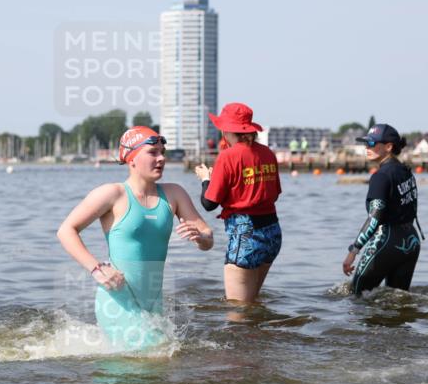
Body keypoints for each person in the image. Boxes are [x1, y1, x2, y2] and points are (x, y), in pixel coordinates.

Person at [57, 127, 213, 350]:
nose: (161, 158)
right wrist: (97, 269)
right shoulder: (112, 194)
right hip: (118, 300)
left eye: (162, 152)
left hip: (154, 303)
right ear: (132, 158)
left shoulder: (174, 193)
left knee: (155, 372)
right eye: (153, 152)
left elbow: (208, 240)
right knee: (152, 357)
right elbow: (66, 230)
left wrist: (200, 237)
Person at [194, 103, 282, 305]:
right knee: (252, 304)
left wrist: (205, 179)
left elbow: (209, 204)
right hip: (272, 233)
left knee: (238, 311)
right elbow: (274, 195)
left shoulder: (227, 156)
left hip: (246, 234)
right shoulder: (268, 153)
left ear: (227, 130)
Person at [342, 124, 421, 296]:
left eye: (371, 144)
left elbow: (374, 218)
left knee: (356, 298)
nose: (366, 148)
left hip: (387, 241)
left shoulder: (381, 177)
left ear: (388, 146)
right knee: (398, 301)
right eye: (366, 143)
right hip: (411, 241)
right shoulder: (405, 171)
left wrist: (353, 251)